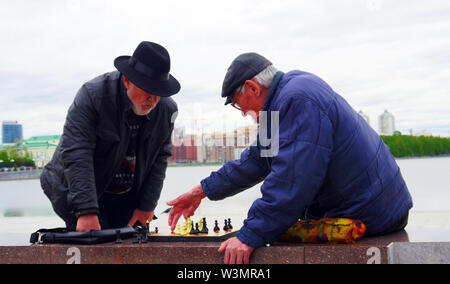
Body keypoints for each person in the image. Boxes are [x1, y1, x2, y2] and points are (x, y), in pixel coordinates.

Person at [167, 52, 413, 264]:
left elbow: (294, 178)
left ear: (252, 87)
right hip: (373, 206)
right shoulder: (283, 98)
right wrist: (203, 190)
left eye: (236, 103)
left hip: (372, 213)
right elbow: (257, 161)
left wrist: (250, 235)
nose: (242, 113)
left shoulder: (297, 99)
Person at [41, 41, 180, 232]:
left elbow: (160, 157)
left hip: (125, 193)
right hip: (75, 187)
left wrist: (146, 207)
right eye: (148, 90)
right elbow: (77, 152)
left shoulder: (166, 109)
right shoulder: (93, 96)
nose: (154, 100)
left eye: (159, 92)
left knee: (133, 241)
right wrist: (86, 210)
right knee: (97, 245)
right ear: (127, 81)